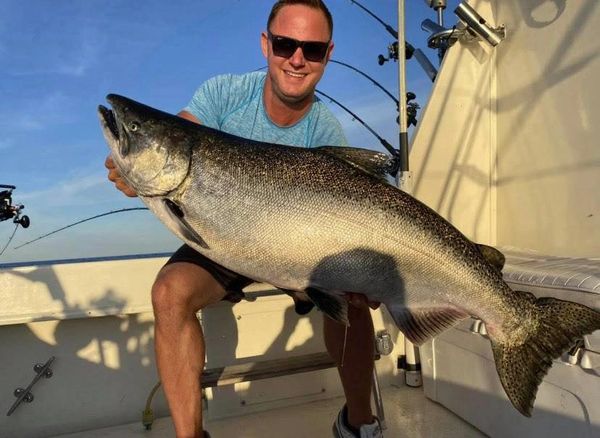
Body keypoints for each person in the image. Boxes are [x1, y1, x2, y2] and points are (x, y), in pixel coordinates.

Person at [105, 1, 382, 437]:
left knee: (353, 303)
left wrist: (365, 276)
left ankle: (359, 424)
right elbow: (178, 134)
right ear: (265, 43)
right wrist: (135, 168)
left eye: (310, 49)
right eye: (286, 44)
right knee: (168, 293)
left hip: (302, 248)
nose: (296, 59)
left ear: (327, 55)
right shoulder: (224, 93)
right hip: (222, 238)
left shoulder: (326, 132)